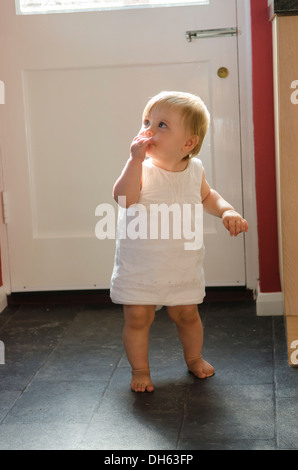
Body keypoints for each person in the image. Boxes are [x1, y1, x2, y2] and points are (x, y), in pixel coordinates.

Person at [110, 91, 248, 392]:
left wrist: (226, 210)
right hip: (141, 265)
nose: (148, 129)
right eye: (146, 121)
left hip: (181, 263)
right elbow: (123, 198)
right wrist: (134, 161)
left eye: (161, 125)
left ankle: (195, 357)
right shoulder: (142, 170)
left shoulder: (194, 170)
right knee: (137, 317)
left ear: (188, 143)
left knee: (187, 314)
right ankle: (141, 370)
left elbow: (206, 196)